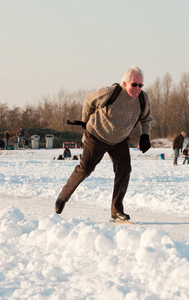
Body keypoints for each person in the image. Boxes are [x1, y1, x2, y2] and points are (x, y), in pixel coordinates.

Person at [54, 66, 153, 221]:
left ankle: (116, 210)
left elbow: (146, 119)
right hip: (97, 136)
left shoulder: (143, 99)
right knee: (86, 169)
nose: (137, 88)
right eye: (134, 84)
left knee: (125, 170)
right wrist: (86, 122)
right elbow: (88, 100)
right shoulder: (110, 93)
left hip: (119, 139)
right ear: (125, 83)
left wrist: (145, 135)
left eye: (140, 85)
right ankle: (63, 196)